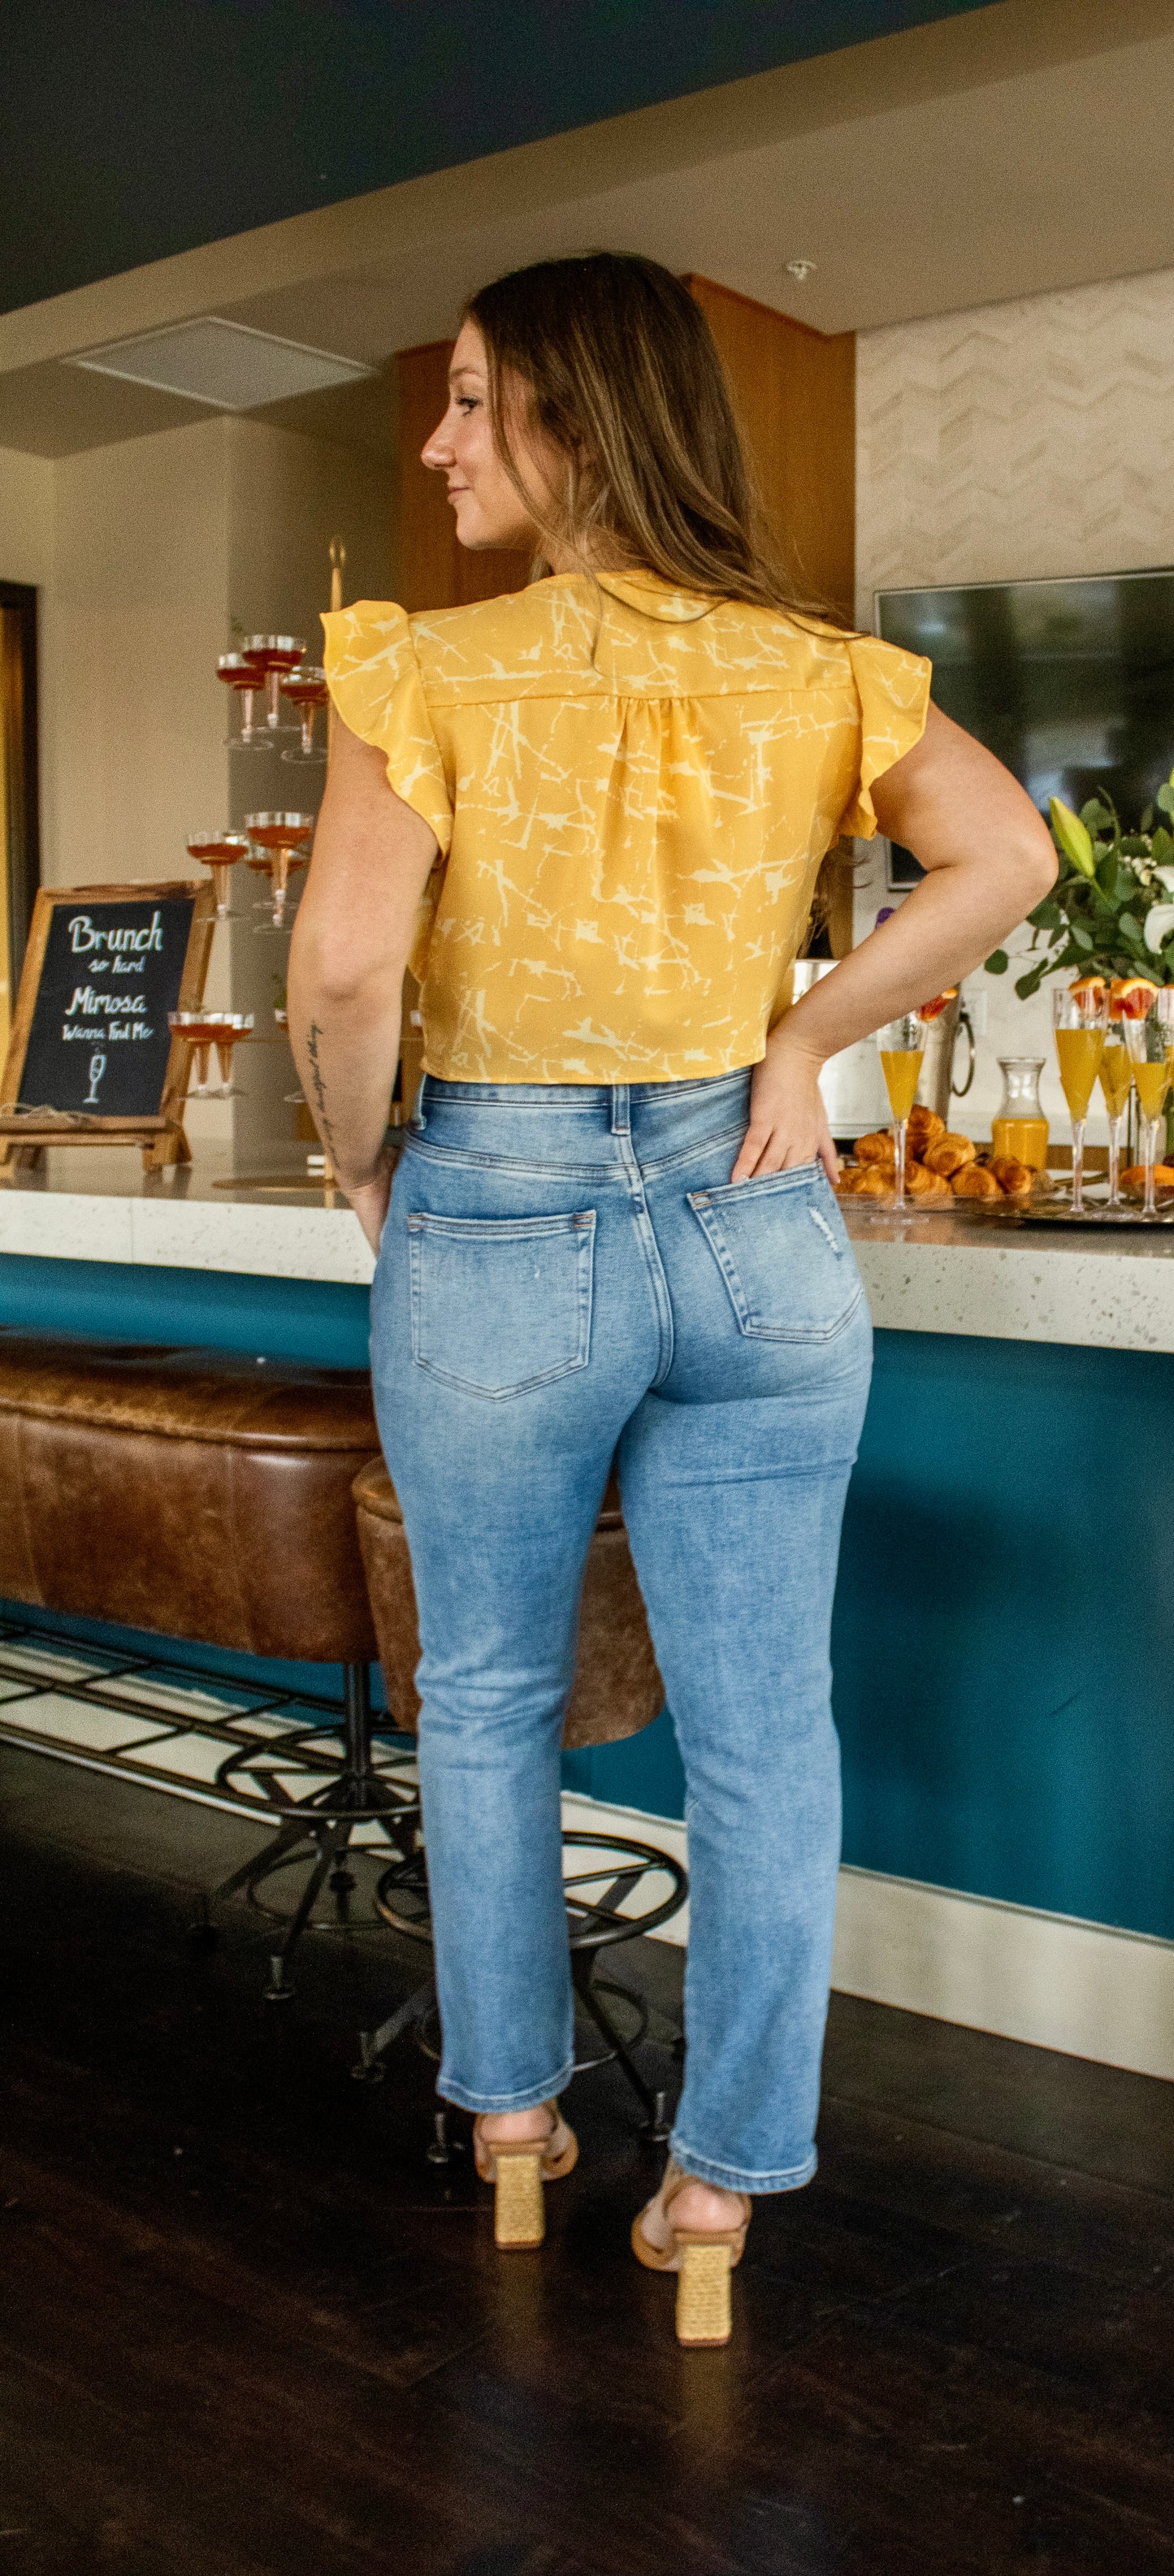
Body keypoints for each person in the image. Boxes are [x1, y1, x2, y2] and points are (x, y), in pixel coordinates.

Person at [288, 252, 1054, 2349]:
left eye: (470, 402)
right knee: (766, 1730)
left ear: (574, 418)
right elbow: (1003, 860)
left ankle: (518, 2125)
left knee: (498, 1698)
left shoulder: (423, 676)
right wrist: (808, 1038)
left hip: (500, 1212)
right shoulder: (824, 676)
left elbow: (352, 972)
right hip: (757, 1217)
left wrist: (364, 1155)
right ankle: (718, 2187)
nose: (440, 444)